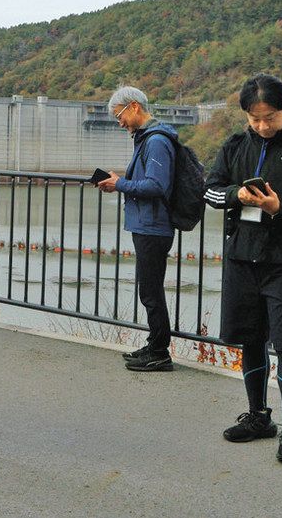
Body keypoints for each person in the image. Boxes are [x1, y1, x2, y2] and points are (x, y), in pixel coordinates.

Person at [204, 73, 282, 466]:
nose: (262, 125)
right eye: (255, 118)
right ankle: (259, 417)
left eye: (270, 117)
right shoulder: (235, 146)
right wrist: (235, 195)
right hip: (242, 258)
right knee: (251, 339)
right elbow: (210, 190)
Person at [97, 86, 177, 373]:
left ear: (133, 107)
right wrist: (118, 184)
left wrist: (120, 184)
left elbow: (157, 186)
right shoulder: (146, 139)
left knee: (151, 291)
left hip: (154, 227)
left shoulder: (155, 141)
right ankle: (154, 344)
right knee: (149, 289)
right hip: (146, 225)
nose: (119, 122)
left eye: (119, 115)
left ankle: (159, 353)